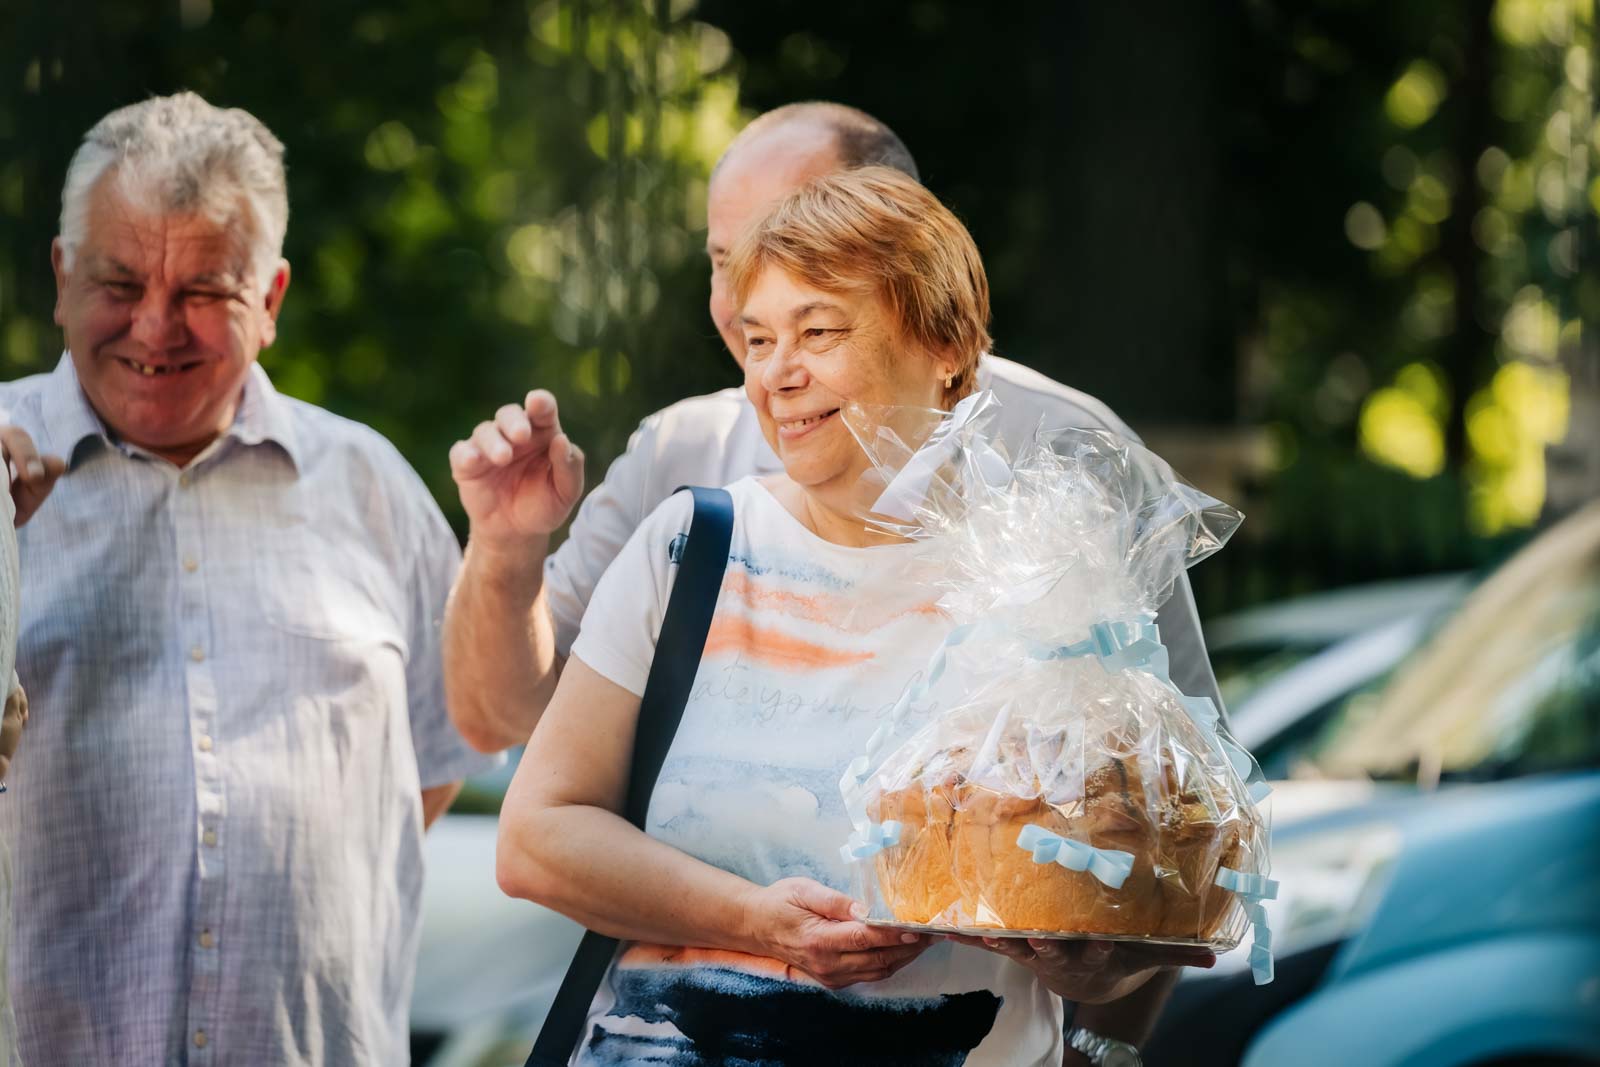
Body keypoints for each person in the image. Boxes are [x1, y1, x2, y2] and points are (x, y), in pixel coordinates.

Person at [446, 102, 1218, 1063]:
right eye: (759, 335)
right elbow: (530, 821)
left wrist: (1093, 967)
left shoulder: (1051, 577)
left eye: (818, 329)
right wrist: (760, 921)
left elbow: (1148, 880)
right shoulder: (691, 537)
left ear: (945, 347)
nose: (776, 373)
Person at [0, 92, 497, 1064]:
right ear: (61, 277)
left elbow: (431, 763)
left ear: (268, 301)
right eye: (118, 280)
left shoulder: (370, 484)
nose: (156, 325)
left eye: (202, 292)